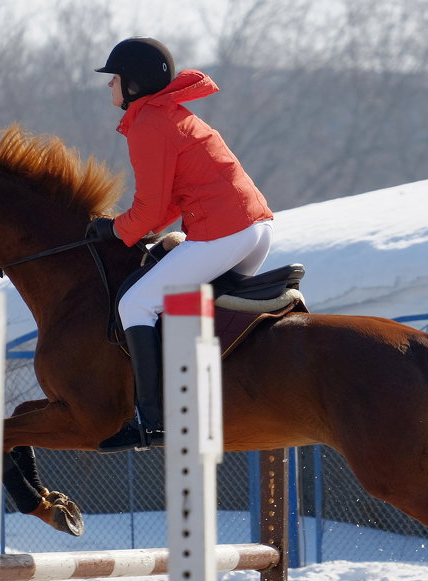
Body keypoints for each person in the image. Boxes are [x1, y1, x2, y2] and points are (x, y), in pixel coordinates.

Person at [90, 37, 274, 453]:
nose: (109, 86)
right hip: (254, 231)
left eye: (114, 78)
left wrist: (116, 231)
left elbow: (152, 206)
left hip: (225, 232)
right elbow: (169, 202)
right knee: (183, 307)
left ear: (133, 86)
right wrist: (128, 227)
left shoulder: (147, 123)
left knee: (134, 304)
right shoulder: (168, 115)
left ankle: (152, 422)